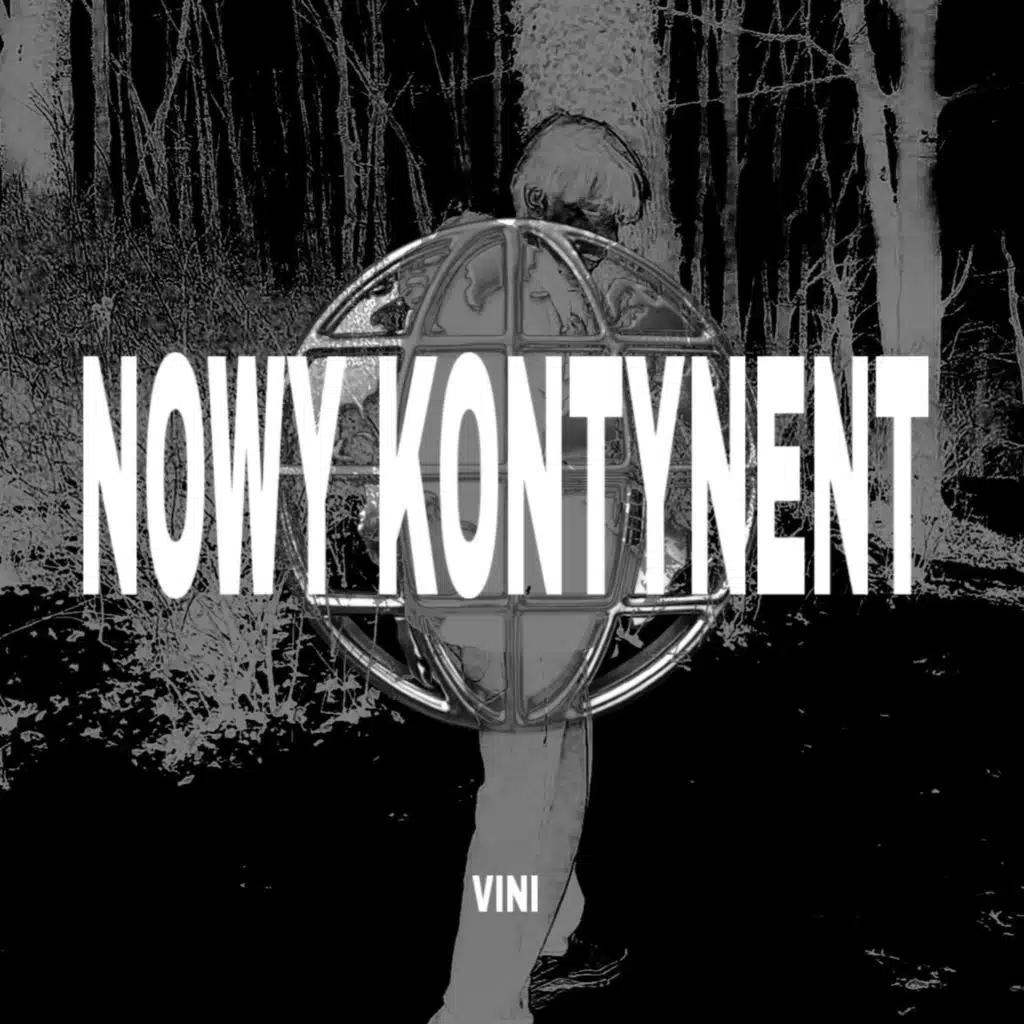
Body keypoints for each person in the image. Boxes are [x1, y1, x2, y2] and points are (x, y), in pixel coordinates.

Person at [421, 112, 683, 1024]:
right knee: (523, 792)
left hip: (533, 567)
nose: (615, 241)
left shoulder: (507, 277)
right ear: (560, 204)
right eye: (606, 219)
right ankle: (480, 1000)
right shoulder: (510, 286)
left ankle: (550, 934)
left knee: (558, 764)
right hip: (515, 573)